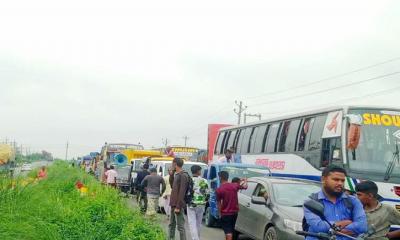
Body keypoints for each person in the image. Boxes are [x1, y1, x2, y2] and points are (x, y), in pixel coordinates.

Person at [303, 165, 367, 240]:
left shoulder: (353, 201)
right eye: (336, 180)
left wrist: (331, 230)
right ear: (323, 179)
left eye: (342, 180)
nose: (340, 183)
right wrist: (345, 223)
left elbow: (362, 226)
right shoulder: (312, 201)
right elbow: (319, 227)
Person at [216, 171, 248, 240]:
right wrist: (245, 181)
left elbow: (219, 203)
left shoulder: (219, 189)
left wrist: (219, 214)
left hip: (225, 213)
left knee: (228, 232)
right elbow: (245, 186)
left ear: (220, 178)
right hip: (234, 213)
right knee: (231, 230)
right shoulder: (234, 185)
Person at [169, 158, 189, 240]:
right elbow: (172, 186)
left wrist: (178, 206)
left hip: (178, 204)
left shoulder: (183, 175)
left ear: (175, 164)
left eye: (172, 163)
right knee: (171, 224)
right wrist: (171, 174)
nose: (171, 165)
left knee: (180, 226)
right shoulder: (176, 174)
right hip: (173, 203)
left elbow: (182, 192)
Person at [187, 165, 208, 240]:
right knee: (198, 223)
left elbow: (186, 192)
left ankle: (195, 238)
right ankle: (197, 237)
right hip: (201, 204)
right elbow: (207, 193)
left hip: (191, 204)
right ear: (198, 171)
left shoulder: (189, 180)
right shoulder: (204, 181)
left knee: (192, 223)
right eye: (200, 170)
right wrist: (205, 201)